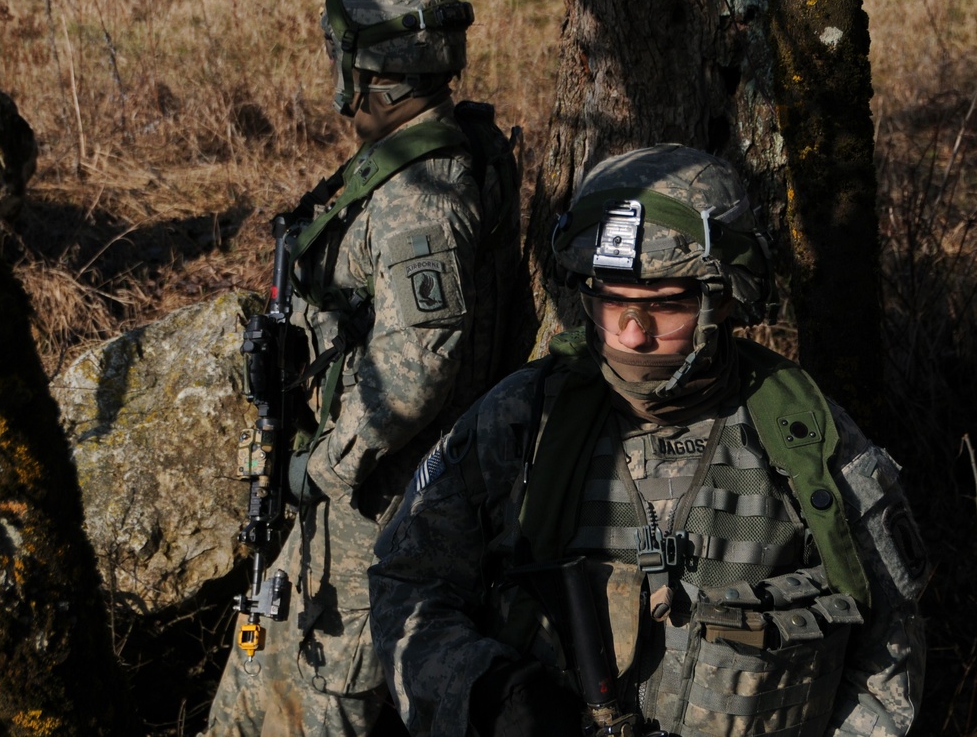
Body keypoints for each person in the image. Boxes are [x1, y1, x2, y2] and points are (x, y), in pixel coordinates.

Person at [368, 144, 928, 737]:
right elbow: (407, 581)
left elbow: (890, 646)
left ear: (725, 298)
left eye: (664, 307)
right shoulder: (521, 420)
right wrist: (487, 691)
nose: (632, 337)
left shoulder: (804, 437)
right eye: (613, 303)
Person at [202, 0, 520, 737]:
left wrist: (327, 463)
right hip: (375, 480)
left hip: (377, 495)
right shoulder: (426, 151)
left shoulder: (422, 196)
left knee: (325, 683)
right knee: (268, 665)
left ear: (371, 73)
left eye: (337, 53)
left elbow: (418, 366)